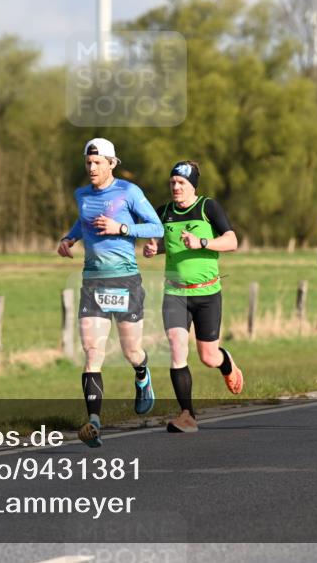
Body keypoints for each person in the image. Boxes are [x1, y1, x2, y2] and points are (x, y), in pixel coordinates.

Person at [58, 138, 164, 447]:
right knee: (93, 352)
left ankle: (142, 375)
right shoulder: (82, 195)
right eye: (88, 163)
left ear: (111, 164)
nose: (91, 168)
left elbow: (156, 227)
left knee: (132, 351)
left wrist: (122, 229)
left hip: (125, 281)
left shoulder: (129, 192)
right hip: (93, 281)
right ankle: (93, 422)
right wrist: (70, 238)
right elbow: (83, 221)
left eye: (97, 163)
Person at [143, 161, 242, 434]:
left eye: (181, 183)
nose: (176, 187)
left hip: (207, 293)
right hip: (175, 292)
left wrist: (202, 243)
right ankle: (187, 415)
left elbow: (232, 241)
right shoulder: (164, 212)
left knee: (208, 357)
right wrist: (154, 249)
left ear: (193, 186)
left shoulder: (208, 207)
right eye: (173, 182)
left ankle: (225, 362)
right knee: (177, 348)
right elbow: (167, 244)